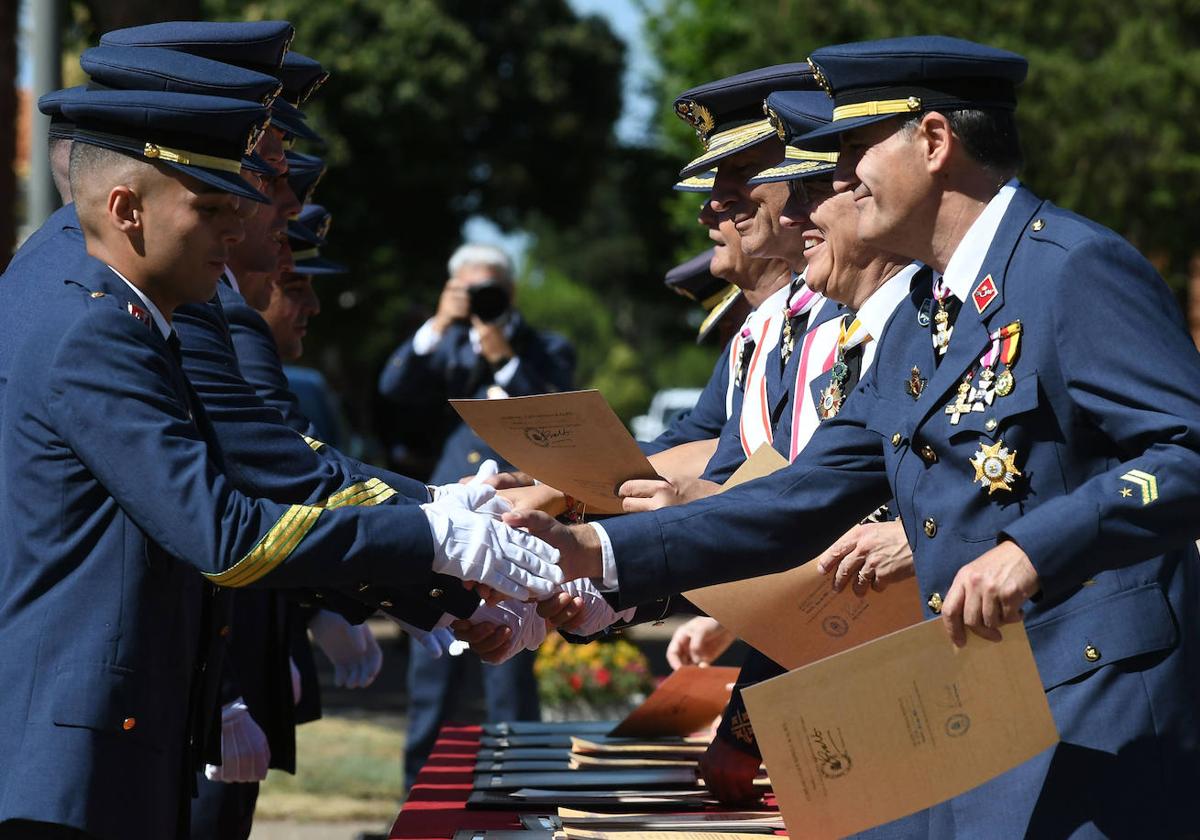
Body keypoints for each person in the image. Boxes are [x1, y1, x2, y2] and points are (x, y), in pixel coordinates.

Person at [510, 36, 1200, 836]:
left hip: (1100, 714)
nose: (832, 184)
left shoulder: (1070, 269)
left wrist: (1033, 548)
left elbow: (1186, 450)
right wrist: (599, 553)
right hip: (978, 708)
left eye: (851, 151)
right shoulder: (922, 316)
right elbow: (802, 497)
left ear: (936, 142)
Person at [0, 86, 560, 840]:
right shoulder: (102, 324)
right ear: (128, 208)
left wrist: (433, 564)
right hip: (77, 754)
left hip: (107, 731)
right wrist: (436, 538)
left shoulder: (115, 304)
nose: (243, 225)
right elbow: (227, 527)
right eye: (217, 205)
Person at [379, 242, 574, 787]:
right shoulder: (444, 350)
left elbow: (554, 404)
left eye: (490, 289)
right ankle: (419, 792)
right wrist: (440, 323)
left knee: (510, 665)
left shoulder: (543, 348)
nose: (482, 300)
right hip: (448, 512)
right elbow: (394, 389)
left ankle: (524, 791)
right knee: (433, 666)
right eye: (470, 289)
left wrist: (503, 355)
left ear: (510, 293)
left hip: (515, 514)